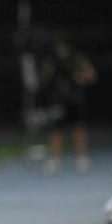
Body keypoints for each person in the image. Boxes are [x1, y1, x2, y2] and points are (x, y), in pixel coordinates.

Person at [39, 36, 97, 173]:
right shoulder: (51, 60)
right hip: (58, 99)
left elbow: (92, 74)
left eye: (64, 47)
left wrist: (80, 77)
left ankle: (81, 158)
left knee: (79, 128)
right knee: (56, 129)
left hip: (75, 98)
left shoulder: (77, 58)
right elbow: (43, 77)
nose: (62, 50)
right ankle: (54, 159)